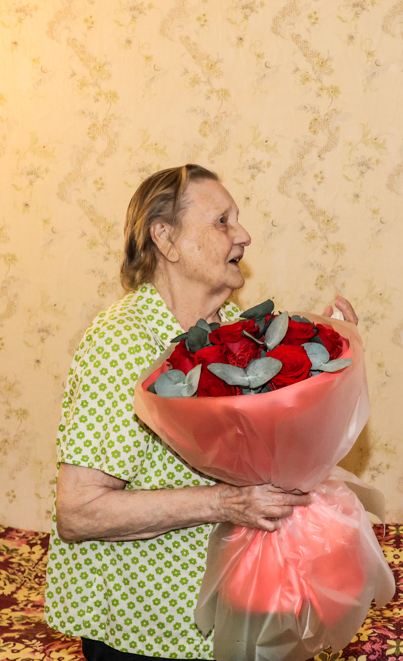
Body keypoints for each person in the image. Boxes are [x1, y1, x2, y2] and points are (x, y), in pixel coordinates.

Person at [45, 164, 359, 661]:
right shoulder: (122, 342)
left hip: (235, 616)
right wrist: (224, 503)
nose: (244, 234)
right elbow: (79, 511)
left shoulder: (239, 331)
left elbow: (271, 456)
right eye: (222, 221)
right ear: (166, 239)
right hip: (146, 632)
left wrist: (323, 362)